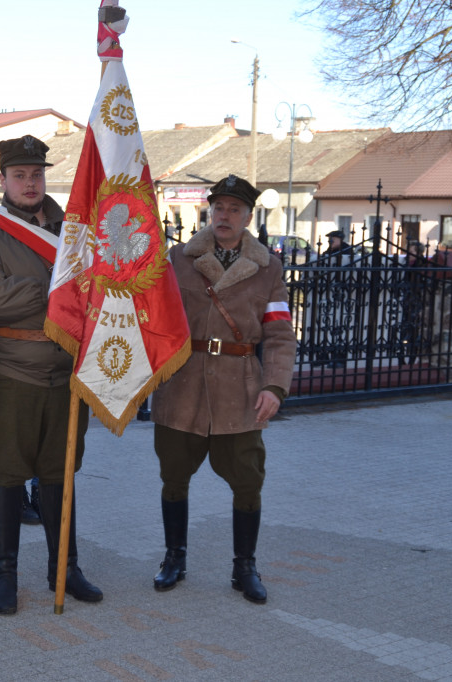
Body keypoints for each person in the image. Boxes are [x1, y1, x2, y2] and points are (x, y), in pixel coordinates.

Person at [0, 134, 102, 616]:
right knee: (5, 474)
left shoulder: (76, 231)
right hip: (9, 370)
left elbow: (100, 292)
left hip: (67, 374)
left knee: (59, 475)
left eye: (36, 174)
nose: (29, 182)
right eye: (19, 175)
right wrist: (58, 284)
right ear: (3, 180)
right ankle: (4, 575)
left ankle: (65, 568)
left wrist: (46, 289)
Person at [150, 174, 296, 604]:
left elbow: (280, 334)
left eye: (234, 209)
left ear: (249, 216)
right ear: (209, 212)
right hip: (183, 383)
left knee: (247, 482)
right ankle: (174, 558)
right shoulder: (179, 258)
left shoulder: (268, 268)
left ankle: (244, 567)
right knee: (173, 478)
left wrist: (275, 386)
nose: (225, 216)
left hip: (241, 389)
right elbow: (154, 316)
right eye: (219, 208)